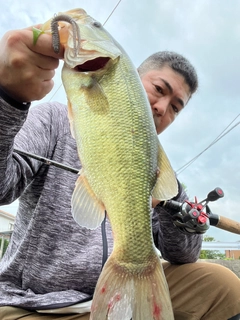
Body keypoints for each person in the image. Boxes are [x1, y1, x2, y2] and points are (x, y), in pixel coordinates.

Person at [0, 24, 239, 320]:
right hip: (36, 303)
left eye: (176, 107)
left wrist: (179, 216)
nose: (163, 107)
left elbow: (183, 255)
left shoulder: (156, 170)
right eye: (158, 89)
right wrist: (8, 99)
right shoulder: (53, 121)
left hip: (115, 292)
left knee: (222, 286)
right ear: (132, 81)